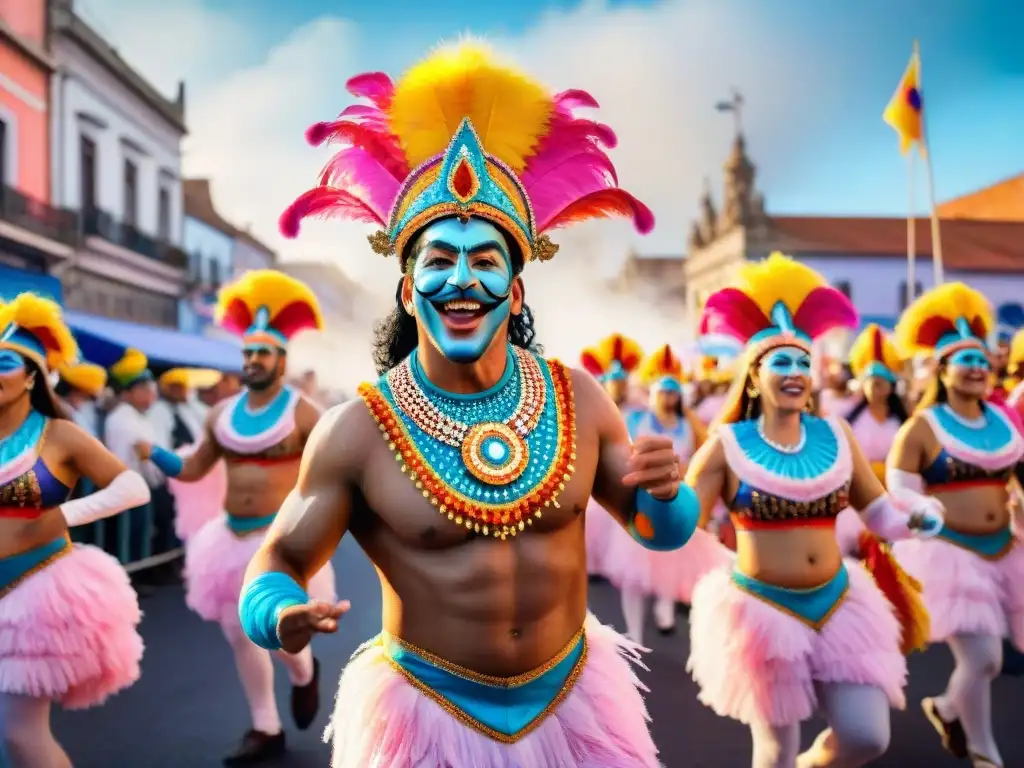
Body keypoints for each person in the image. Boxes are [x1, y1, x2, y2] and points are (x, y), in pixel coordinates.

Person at [239, 42, 699, 768]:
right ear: (406, 288)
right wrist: (278, 614)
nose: (462, 280)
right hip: (427, 715)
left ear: (516, 290)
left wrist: (670, 497)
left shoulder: (578, 398)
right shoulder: (357, 430)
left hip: (574, 703)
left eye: (485, 260)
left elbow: (661, 535)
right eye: (439, 261)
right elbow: (282, 556)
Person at [683, 253, 941, 768]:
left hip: (839, 606)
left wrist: (915, 515)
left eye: (804, 362)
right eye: (782, 362)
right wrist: (661, 495)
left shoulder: (836, 435)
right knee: (774, 750)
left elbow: (880, 516)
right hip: (761, 612)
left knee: (867, 738)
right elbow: (681, 520)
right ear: (755, 377)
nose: (797, 372)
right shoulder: (725, 444)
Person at [137, 270, 334, 765]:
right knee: (241, 636)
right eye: (246, 353)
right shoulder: (220, 414)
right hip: (227, 540)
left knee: (283, 636)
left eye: (261, 353)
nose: (251, 361)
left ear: (281, 360)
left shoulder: (304, 412)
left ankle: (305, 672)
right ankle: (265, 727)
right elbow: (196, 466)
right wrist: (156, 456)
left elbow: (335, 470)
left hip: (283, 542)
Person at [0, 293, 150, 767]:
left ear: (31, 377)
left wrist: (66, 515)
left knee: (21, 733)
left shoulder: (59, 434)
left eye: (5, 362)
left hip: (34, 591)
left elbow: (132, 487)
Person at [889, 283, 1024, 768]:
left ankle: (948, 708)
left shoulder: (1004, 423)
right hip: (952, 555)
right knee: (984, 659)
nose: (975, 368)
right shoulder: (923, 427)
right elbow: (900, 492)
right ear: (943, 370)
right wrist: (926, 520)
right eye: (964, 361)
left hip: (1008, 550)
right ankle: (987, 754)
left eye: (982, 361)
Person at [600, 344, 733, 641]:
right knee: (633, 573)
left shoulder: (689, 424)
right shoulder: (635, 420)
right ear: (653, 392)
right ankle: (634, 631)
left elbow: (704, 456)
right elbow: (620, 458)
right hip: (639, 502)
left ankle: (665, 611)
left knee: (670, 562)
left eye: (674, 392)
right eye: (663, 391)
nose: (669, 397)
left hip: (674, 501)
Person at [833, 324, 909, 556]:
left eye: (880, 383)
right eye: (870, 382)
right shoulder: (849, 419)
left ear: (890, 387)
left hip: (896, 494)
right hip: (858, 497)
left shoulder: (903, 421)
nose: (875, 388)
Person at [578, 332, 644, 580]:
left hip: (628, 470)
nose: (620, 386)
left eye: (623, 381)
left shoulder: (639, 408)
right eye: (615, 381)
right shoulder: (594, 404)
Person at [150, 368, 228, 543]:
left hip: (200, 478)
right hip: (174, 476)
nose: (182, 391)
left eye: (184, 387)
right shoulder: (159, 411)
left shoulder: (193, 408)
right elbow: (159, 444)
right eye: (177, 387)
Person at [102, 350, 165, 567]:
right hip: (126, 490)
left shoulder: (137, 417)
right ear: (128, 392)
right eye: (145, 390)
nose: (151, 396)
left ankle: (139, 573)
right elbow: (127, 461)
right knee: (125, 538)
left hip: (141, 488)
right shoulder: (120, 418)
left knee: (140, 533)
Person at [55, 361, 106, 438]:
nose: (90, 402)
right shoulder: (63, 411)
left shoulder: (73, 413)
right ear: (79, 392)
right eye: (90, 397)